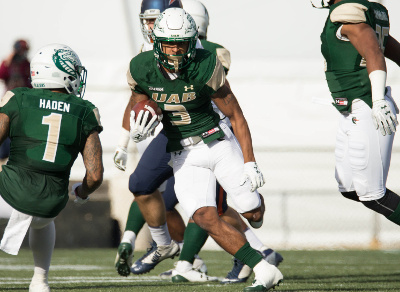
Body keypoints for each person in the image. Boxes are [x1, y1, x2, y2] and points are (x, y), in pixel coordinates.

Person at [126, 8, 283, 291]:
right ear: (156, 41)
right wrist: (137, 125)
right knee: (204, 217)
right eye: (169, 43)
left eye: (182, 43)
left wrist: (250, 161)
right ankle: (264, 270)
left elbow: (235, 114)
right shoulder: (141, 66)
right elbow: (138, 102)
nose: (175, 50)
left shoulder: (205, 63)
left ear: (192, 41)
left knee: (251, 211)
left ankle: (254, 210)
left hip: (217, 142)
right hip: (182, 154)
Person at [0, 43, 103, 292]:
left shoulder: (19, 98)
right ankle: (40, 281)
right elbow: (96, 175)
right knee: (45, 222)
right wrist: (82, 193)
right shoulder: (86, 111)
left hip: (8, 198)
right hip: (50, 206)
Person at [317, 1, 400, 229]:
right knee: (350, 188)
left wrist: (378, 101)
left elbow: (373, 51)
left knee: (373, 194)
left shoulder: (347, 14)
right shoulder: (367, 11)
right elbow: (391, 49)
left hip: (368, 107)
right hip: (352, 110)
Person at [0, 39, 32, 168]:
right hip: (10, 103)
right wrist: (10, 58)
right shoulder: (9, 63)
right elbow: (2, 73)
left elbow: (30, 83)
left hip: (24, 105)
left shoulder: (27, 65)